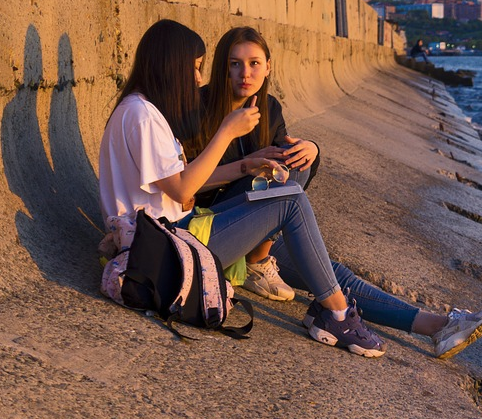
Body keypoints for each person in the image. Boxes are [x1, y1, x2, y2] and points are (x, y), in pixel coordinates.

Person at [194, 26, 482, 359]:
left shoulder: (269, 108)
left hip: (254, 231)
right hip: (216, 229)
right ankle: (264, 266)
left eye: (254, 63)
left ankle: (437, 326)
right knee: (293, 172)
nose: (245, 73)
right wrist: (247, 164)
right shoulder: (202, 106)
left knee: (330, 271)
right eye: (235, 64)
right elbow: (184, 186)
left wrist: (312, 148)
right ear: (222, 66)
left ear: (268, 66)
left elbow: (281, 163)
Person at [98, 19, 387, 358]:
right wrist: (226, 133)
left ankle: (416, 321)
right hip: (165, 245)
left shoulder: (143, 110)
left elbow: (181, 187)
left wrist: (247, 165)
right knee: (289, 202)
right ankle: (337, 314)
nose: (198, 79)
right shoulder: (142, 115)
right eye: (194, 69)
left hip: (172, 232)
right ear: (171, 66)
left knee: (294, 202)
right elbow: (181, 190)